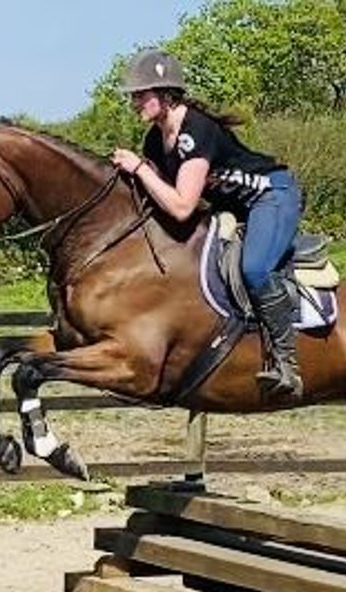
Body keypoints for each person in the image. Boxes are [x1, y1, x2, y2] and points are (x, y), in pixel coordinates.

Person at [111, 49, 304, 399]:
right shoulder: (156, 139)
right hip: (234, 209)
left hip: (273, 196)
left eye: (141, 94)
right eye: (134, 95)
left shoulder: (197, 130)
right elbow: (158, 195)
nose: (134, 101)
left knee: (255, 269)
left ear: (166, 95)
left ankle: (286, 362)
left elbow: (182, 206)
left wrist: (138, 168)